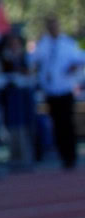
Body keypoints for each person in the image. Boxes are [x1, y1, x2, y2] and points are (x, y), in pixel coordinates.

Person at [30, 18, 82, 171]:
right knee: (57, 124)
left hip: (65, 89)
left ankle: (71, 156)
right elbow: (32, 60)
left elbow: (79, 59)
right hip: (51, 91)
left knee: (68, 123)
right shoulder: (43, 45)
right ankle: (62, 156)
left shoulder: (67, 43)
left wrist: (74, 68)